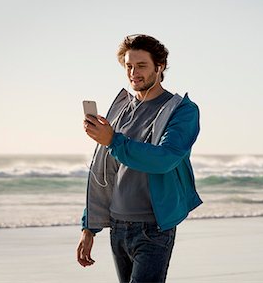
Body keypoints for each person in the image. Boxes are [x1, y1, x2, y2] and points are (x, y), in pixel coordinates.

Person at [76, 34, 202, 283]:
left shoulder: (182, 110)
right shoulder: (122, 110)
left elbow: (165, 159)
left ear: (160, 66)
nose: (133, 72)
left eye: (141, 65)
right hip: (118, 226)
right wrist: (88, 227)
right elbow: (105, 171)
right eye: (128, 66)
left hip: (153, 228)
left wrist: (112, 140)